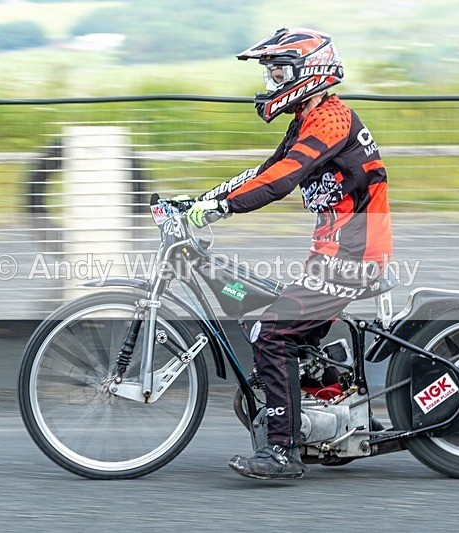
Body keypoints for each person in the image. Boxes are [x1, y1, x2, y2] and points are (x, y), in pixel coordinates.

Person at [184, 28, 393, 480]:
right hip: (334, 255)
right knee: (256, 309)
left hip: (352, 258)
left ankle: (282, 452)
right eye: (270, 72)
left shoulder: (332, 120)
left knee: (270, 331)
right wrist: (199, 201)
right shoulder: (309, 119)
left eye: (279, 71)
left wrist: (220, 208)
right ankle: (338, 402)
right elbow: (264, 171)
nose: (271, 81)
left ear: (309, 72)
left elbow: (282, 179)